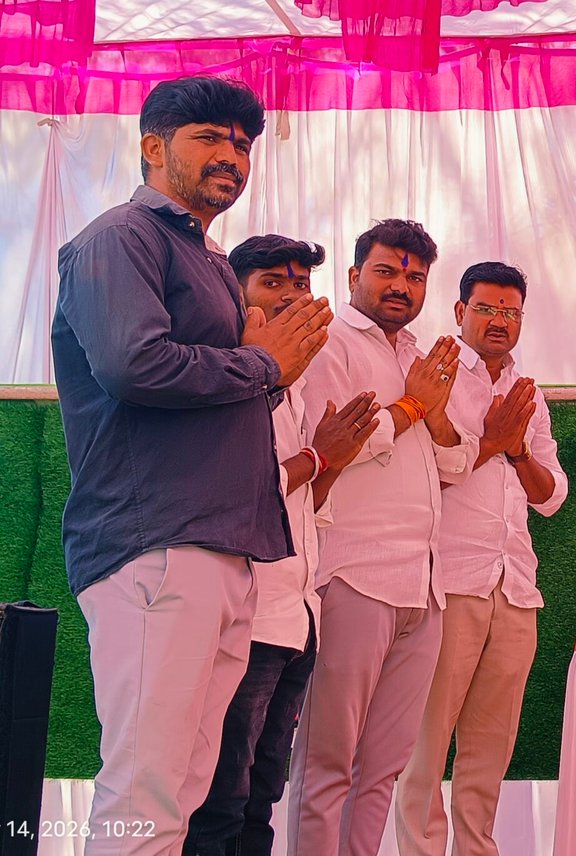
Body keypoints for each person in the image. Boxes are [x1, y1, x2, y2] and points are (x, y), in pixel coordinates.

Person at [52, 75, 332, 855]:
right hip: (158, 544)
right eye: (209, 138)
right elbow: (133, 365)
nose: (231, 157)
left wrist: (266, 371)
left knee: (183, 791)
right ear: (152, 146)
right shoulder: (121, 238)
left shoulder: (205, 258)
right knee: (145, 790)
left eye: (242, 145)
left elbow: (228, 389)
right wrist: (263, 364)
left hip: (224, 552)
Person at [184, 236, 380, 856]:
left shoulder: (292, 386)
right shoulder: (227, 375)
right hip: (247, 620)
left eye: (301, 284)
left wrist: (330, 460)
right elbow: (239, 486)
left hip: (297, 617)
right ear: (236, 294)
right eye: (274, 283)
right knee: (221, 798)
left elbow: (298, 501)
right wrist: (320, 456)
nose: (293, 296)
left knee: (263, 793)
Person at [287, 219, 474, 856]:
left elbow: (455, 464)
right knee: (328, 763)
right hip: (353, 574)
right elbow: (332, 445)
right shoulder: (329, 344)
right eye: (387, 272)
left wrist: (432, 413)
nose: (401, 286)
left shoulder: (421, 358)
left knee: (383, 769)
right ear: (353, 276)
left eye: (414, 277)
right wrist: (412, 408)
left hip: (424, 585)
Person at [396, 262, 568, 856]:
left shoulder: (529, 394)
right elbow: (424, 474)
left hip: (515, 585)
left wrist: (515, 451)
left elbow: (552, 496)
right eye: (487, 309)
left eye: (510, 312)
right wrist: (490, 443)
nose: (499, 321)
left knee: (491, 746)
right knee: (427, 741)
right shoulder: (436, 375)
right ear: (459, 312)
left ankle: (477, 848)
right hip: (450, 582)